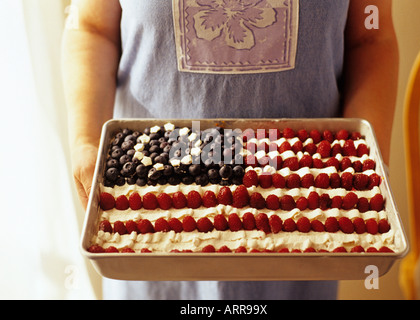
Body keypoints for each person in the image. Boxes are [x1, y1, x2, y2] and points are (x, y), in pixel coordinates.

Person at [62, 0, 399, 300]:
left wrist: (365, 162)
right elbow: (90, 27)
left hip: (301, 204)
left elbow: (370, 37)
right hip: (149, 205)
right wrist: (86, 142)